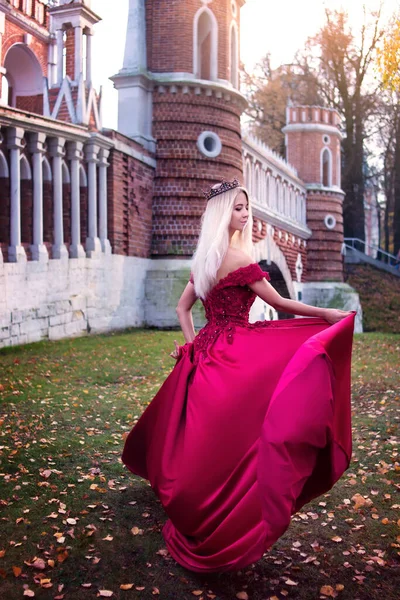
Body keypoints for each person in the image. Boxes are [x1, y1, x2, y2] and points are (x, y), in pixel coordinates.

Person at [122, 179, 355, 573]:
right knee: (250, 424)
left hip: (207, 351)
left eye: (247, 208)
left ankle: (199, 497)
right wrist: (326, 315)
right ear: (222, 214)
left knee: (203, 433)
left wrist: (192, 346)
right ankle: (227, 506)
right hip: (235, 349)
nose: (246, 215)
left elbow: (182, 310)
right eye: (238, 208)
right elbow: (279, 303)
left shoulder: (205, 259)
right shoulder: (237, 261)